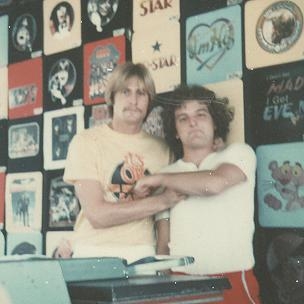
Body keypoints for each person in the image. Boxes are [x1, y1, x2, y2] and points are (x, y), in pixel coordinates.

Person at [134, 84, 261, 303]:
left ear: (215, 122)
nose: (192, 122)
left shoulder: (239, 153)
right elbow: (163, 244)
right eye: (182, 118)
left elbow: (215, 183)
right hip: (181, 283)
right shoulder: (168, 172)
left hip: (232, 280)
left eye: (201, 114)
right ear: (175, 129)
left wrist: (160, 179)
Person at [53, 62, 184, 261]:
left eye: (141, 93)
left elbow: (165, 218)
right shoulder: (86, 142)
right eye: (125, 92)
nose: (133, 100)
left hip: (143, 253)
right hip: (93, 251)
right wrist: (161, 201)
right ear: (111, 97)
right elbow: (98, 215)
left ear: (149, 101)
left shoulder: (163, 150)